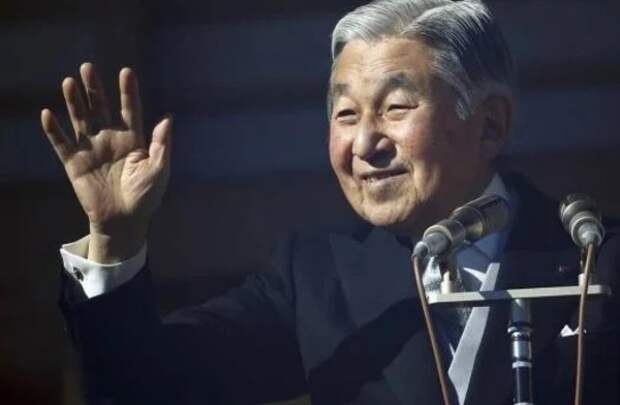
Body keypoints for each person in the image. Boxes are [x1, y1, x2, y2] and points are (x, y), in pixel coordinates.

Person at [41, 0, 619, 404]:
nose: (364, 144)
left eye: (395, 108)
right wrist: (116, 238)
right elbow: (147, 383)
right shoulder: (318, 277)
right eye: (345, 114)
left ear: (490, 125)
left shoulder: (599, 259)